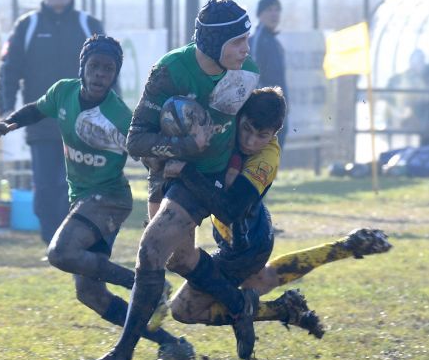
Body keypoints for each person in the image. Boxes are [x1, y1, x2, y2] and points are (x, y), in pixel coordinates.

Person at [81, 0, 262, 360]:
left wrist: (237, 179)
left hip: (206, 177)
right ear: (213, 43)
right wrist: (180, 149)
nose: (246, 49)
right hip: (169, 170)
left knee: (150, 250)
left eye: (248, 39)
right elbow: (136, 141)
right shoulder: (170, 71)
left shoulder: (246, 73)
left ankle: (121, 357)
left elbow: (250, 136)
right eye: (238, 41)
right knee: (180, 258)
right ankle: (239, 305)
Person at [0, 35, 194, 360]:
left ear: (115, 75)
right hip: (83, 199)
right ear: (82, 67)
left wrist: (172, 168)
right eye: (94, 66)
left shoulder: (120, 117)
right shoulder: (63, 92)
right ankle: (171, 344)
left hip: (109, 198)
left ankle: (146, 284)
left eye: (108, 70)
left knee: (60, 252)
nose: (100, 74)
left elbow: (148, 154)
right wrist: (8, 124)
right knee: (90, 294)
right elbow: (36, 110)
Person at [162, 88, 391, 331]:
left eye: (261, 135)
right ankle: (341, 249)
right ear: (240, 116)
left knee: (183, 309)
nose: (250, 142)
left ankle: (280, 309)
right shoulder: (229, 125)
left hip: (246, 243)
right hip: (247, 229)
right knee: (262, 279)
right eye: (247, 129)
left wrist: (185, 172)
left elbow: (231, 209)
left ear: (274, 134)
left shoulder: (267, 157)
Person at [0, 0, 104, 246]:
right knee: (46, 190)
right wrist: (7, 110)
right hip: (42, 124)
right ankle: (54, 245)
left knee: (80, 189)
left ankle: (79, 243)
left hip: (83, 125)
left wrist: (105, 113)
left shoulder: (88, 24)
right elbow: (9, 70)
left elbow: (108, 72)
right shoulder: (27, 26)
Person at [249, 0, 289, 148]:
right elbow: (255, 75)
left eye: (277, 10)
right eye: (269, 10)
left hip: (278, 106)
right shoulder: (257, 40)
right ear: (260, 14)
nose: (274, 14)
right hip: (266, 108)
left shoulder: (273, 40)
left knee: (274, 155)